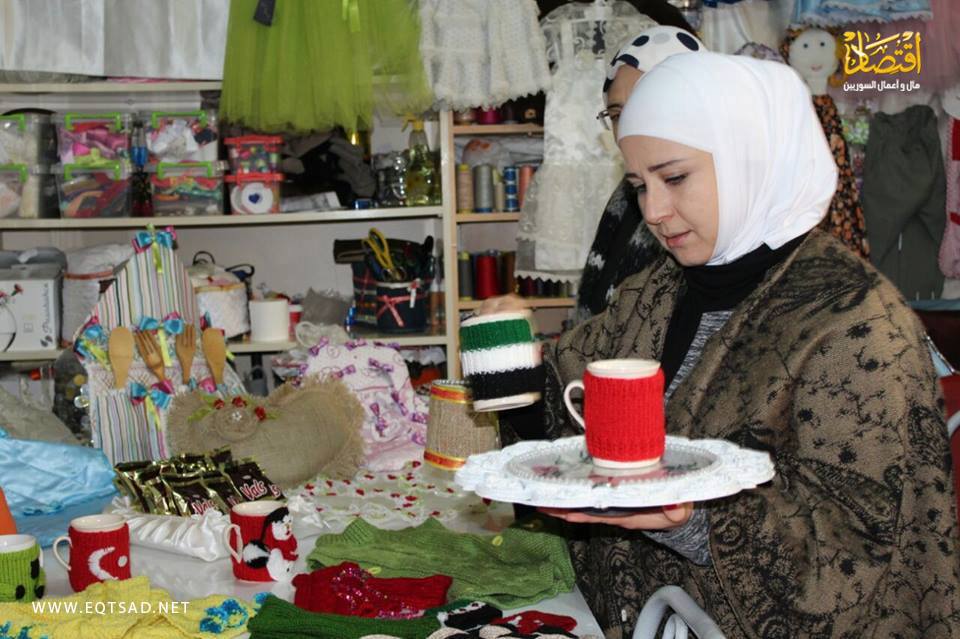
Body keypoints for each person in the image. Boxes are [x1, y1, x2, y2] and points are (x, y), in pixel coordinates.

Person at [481, 52, 960, 638]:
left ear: (748, 157)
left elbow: (852, 554)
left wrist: (692, 519)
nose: (654, 211)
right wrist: (516, 372)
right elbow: (569, 409)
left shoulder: (855, 323)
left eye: (675, 178)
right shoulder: (657, 290)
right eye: (639, 186)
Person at [577, 25, 705, 322]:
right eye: (617, 114)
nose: (628, 126)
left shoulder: (716, 207)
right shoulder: (626, 195)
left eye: (642, 105)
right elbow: (596, 309)